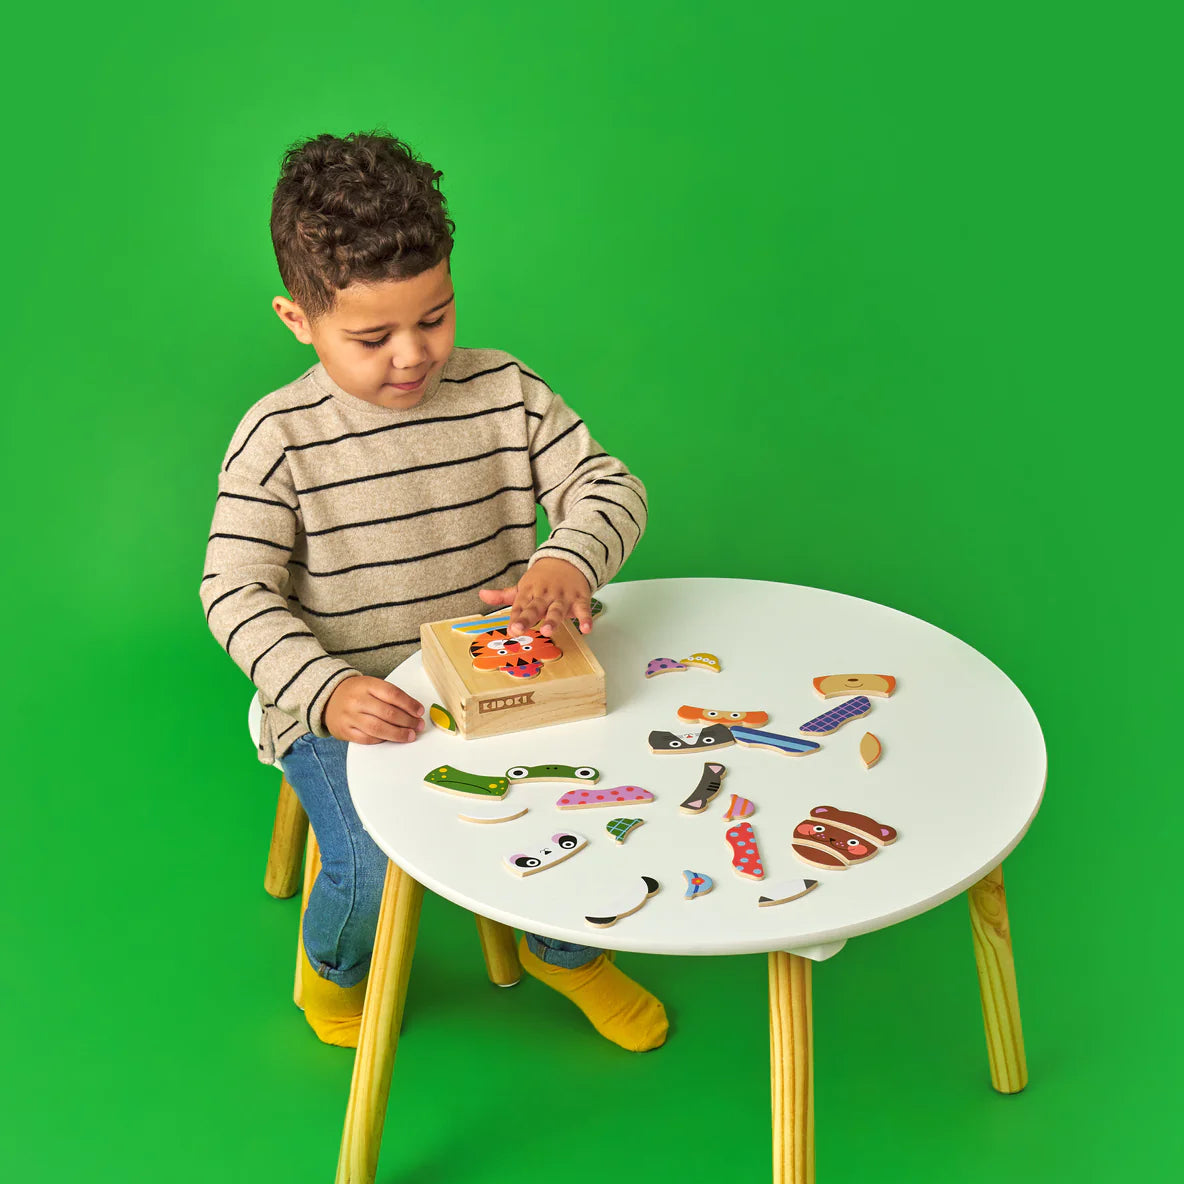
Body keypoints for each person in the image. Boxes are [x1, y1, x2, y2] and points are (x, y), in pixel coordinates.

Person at [200, 131, 665, 1053]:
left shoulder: (503, 390)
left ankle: (561, 951)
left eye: (437, 317)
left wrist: (565, 559)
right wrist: (322, 690)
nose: (413, 355)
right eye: (371, 337)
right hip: (352, 701)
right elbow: (235, 591)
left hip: (500, 674)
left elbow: (611, 488)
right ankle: (333, 967)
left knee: (603, 793)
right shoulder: (276, 438)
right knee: (371, 862)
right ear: (298, 319)